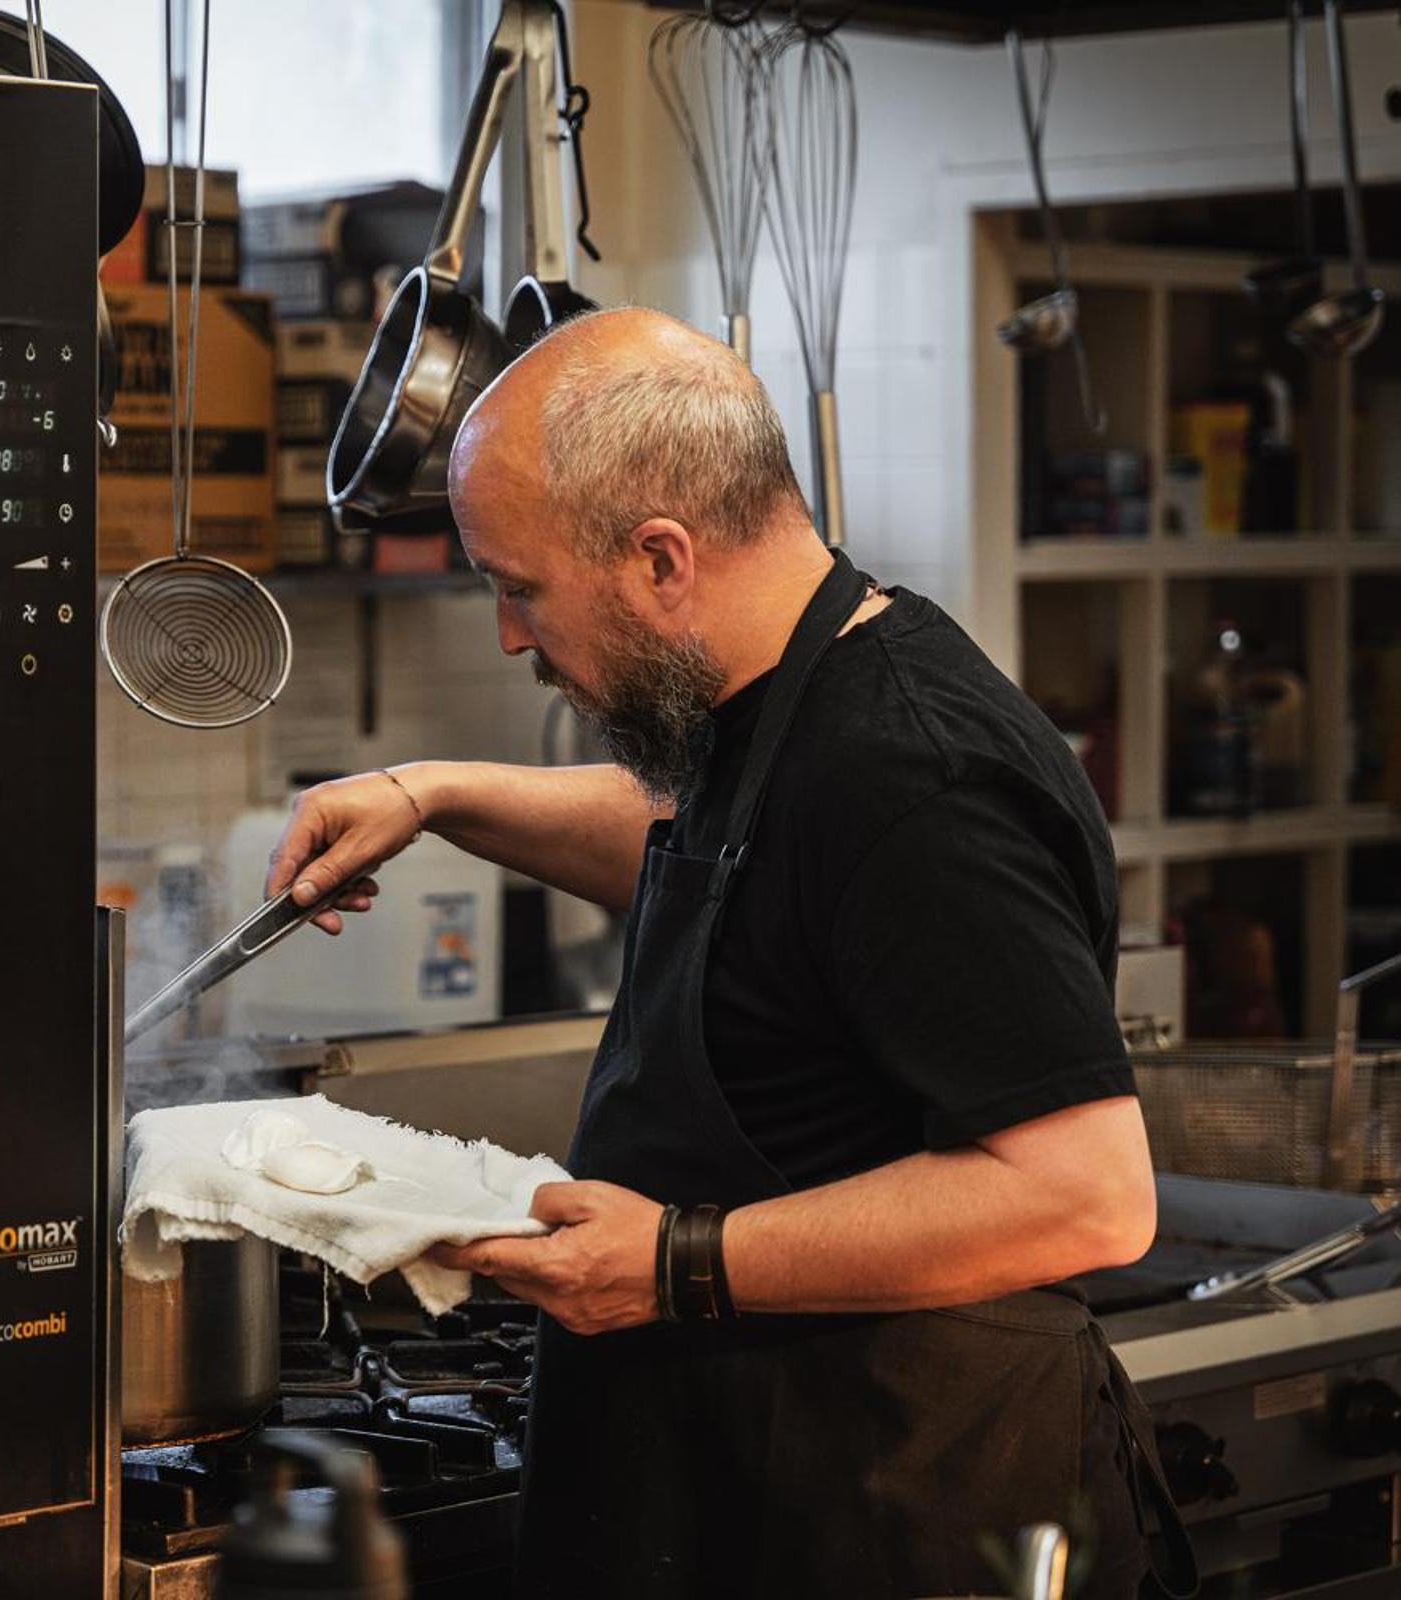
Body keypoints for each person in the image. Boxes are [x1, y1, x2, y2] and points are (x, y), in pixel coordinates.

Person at [265, 309, 1193, 1598]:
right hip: (759, 1475)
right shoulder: (791, 706)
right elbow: (732, 859)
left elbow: (1085, 1195)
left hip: (901, 1503)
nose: (510, 637)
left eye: (519, 588)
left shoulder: (918, 774)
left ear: (661, 558)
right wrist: (435, 795)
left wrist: (670, 1261)